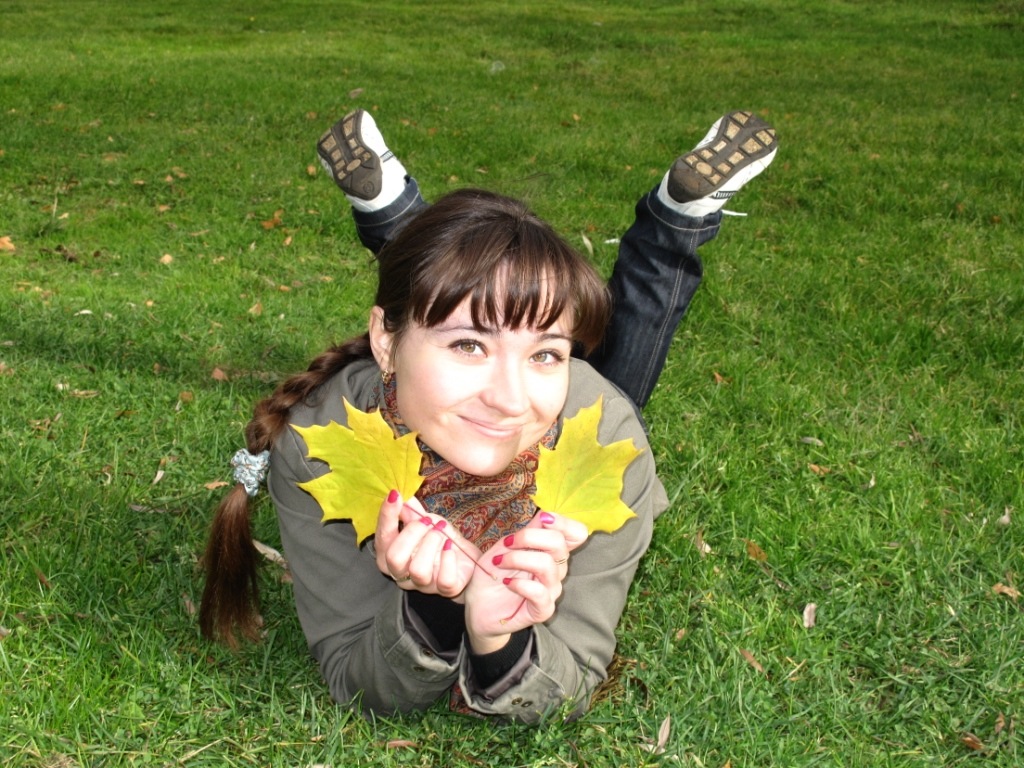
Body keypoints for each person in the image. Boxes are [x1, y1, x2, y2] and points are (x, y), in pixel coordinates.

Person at [199, 108, 777, 723]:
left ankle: (664, 222)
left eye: (547, 353)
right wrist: (431, 607)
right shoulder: (320, 448)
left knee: (566, 343)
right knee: (456, 277)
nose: (511, 399)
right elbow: (355, 677)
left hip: (583, 415)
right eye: (469, 346)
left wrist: (500, 639)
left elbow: (571, 678)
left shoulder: (605, 437)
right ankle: (669, 220)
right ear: (385, 341)